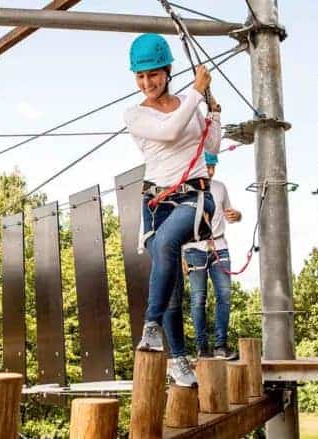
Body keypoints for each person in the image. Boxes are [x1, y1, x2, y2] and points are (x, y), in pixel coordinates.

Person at [123, 33, 221, 387]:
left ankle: (150, 326)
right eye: (140, 76)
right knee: (171, 285)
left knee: (166, 245)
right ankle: (178, 361)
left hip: (194, 197)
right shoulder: (134, 114)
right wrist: (197, 94)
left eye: (153, 75)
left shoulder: (188, 103)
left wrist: (213, 110)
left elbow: (210, 145)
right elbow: (168, 132)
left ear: (167, 72)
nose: (147, 83)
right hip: (155, 203)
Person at [183, 152, 242, 360]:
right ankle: (202, 347)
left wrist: (237, 215)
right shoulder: (186, 188)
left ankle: (221, 345)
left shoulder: (219, 187)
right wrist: (182, 255)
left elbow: (230, 213)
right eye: (206, 166)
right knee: (198, 299)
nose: (209, 171)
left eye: (212, 167)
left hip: (219, 245)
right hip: (193, 248)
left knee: (224, 295)